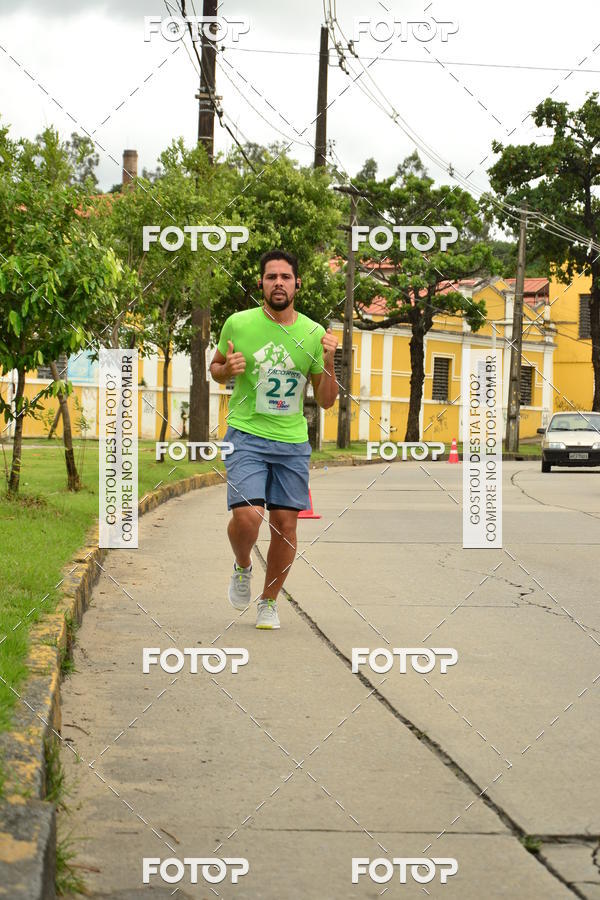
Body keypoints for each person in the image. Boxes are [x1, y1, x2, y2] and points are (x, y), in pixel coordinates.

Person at [209, 249, 339, 629]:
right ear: (261, 284)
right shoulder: (238, 323)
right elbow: (214, 367)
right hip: (246, 434)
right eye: (271, 277)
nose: (278, 283)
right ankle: (243, 564)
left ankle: (269, 600)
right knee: (248, 517)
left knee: (286, 526)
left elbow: (327, 401)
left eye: (285, 277)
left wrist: (330, 361)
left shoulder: (314, 334)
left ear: (297, 283)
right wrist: (225, 369)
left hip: (291, 442)